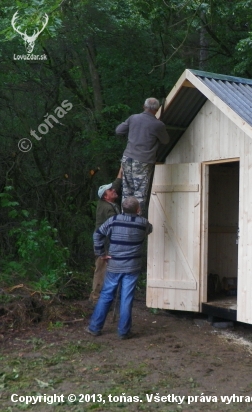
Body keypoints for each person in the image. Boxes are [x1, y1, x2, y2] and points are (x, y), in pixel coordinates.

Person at [86, 196, 153, 339]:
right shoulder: (143, 224)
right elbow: (150, 229)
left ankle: (95, 328)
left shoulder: (113, 220)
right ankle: (123, 332)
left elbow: (97, 235)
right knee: (126, 298)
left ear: (123, 208)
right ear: (138, 209)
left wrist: (101, 253)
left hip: (114, 265)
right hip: (132, 267)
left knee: (106, 295)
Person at [115, 97, 169, 217]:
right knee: (140, 192)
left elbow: (119, 130)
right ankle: (136, 223)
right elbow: (165, 140)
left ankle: (124, 220)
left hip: (127, 158)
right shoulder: (158, 125)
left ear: (144, 106)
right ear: (157, 109)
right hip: (143, 161)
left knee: (127, 191)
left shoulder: (133, 118)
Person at [89, 167, 122, 304]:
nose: (114, 190)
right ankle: (95, 298)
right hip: (104, 244)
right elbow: (114, 228)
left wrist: (121, 168)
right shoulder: (108, 209)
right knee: (101, 270)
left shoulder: (107, 200)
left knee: (106, 271)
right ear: (106, 196)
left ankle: (103, 297)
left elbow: (116, 184)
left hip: (107, 243)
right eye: (111, 191)